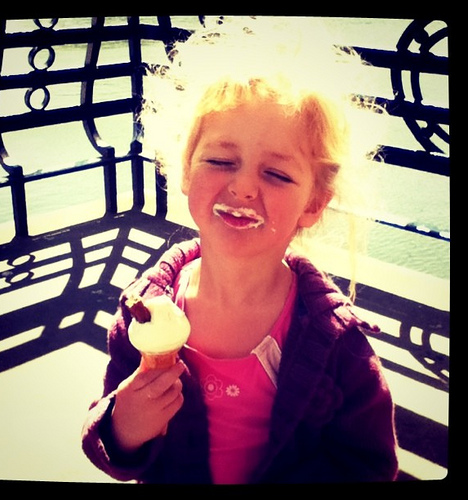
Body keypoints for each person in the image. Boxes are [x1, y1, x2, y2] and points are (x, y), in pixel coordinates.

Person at [82, 16, 398, 484]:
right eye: (220, 160)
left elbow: (369, 464)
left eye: (277, 174)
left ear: (313, 204)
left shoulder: (336, 344)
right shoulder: (143, 315)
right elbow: (112, 443)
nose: (244, 186)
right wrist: (123, 429)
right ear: (185, 169)